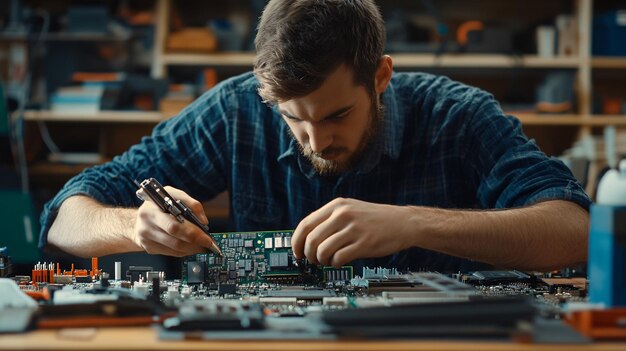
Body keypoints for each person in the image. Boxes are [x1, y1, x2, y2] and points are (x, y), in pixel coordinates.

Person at [41, 0, 590, 273]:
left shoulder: (458, 117)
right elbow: (64, 220)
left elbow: (576, 230)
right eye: (291, 119)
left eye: (335, 117)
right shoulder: (235, 110)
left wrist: (414, 222)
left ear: (380, 77)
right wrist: (136, 226)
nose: (314, 141)